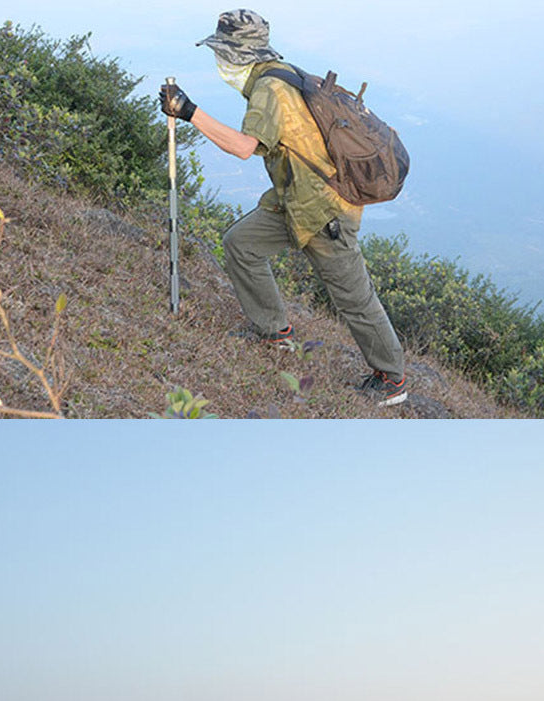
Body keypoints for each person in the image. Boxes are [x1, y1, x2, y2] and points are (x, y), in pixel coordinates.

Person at [159, 9, 409, 407]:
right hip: (294, 200)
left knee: (353, 298)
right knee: (241, 243)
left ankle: (392, 379)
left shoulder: (269, 91)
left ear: (236, 54)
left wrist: (190, 112)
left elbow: (243, 147)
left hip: (325, 211)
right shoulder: (277, 73)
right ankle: (273, 331)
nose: (218, 62)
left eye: (220, 53)